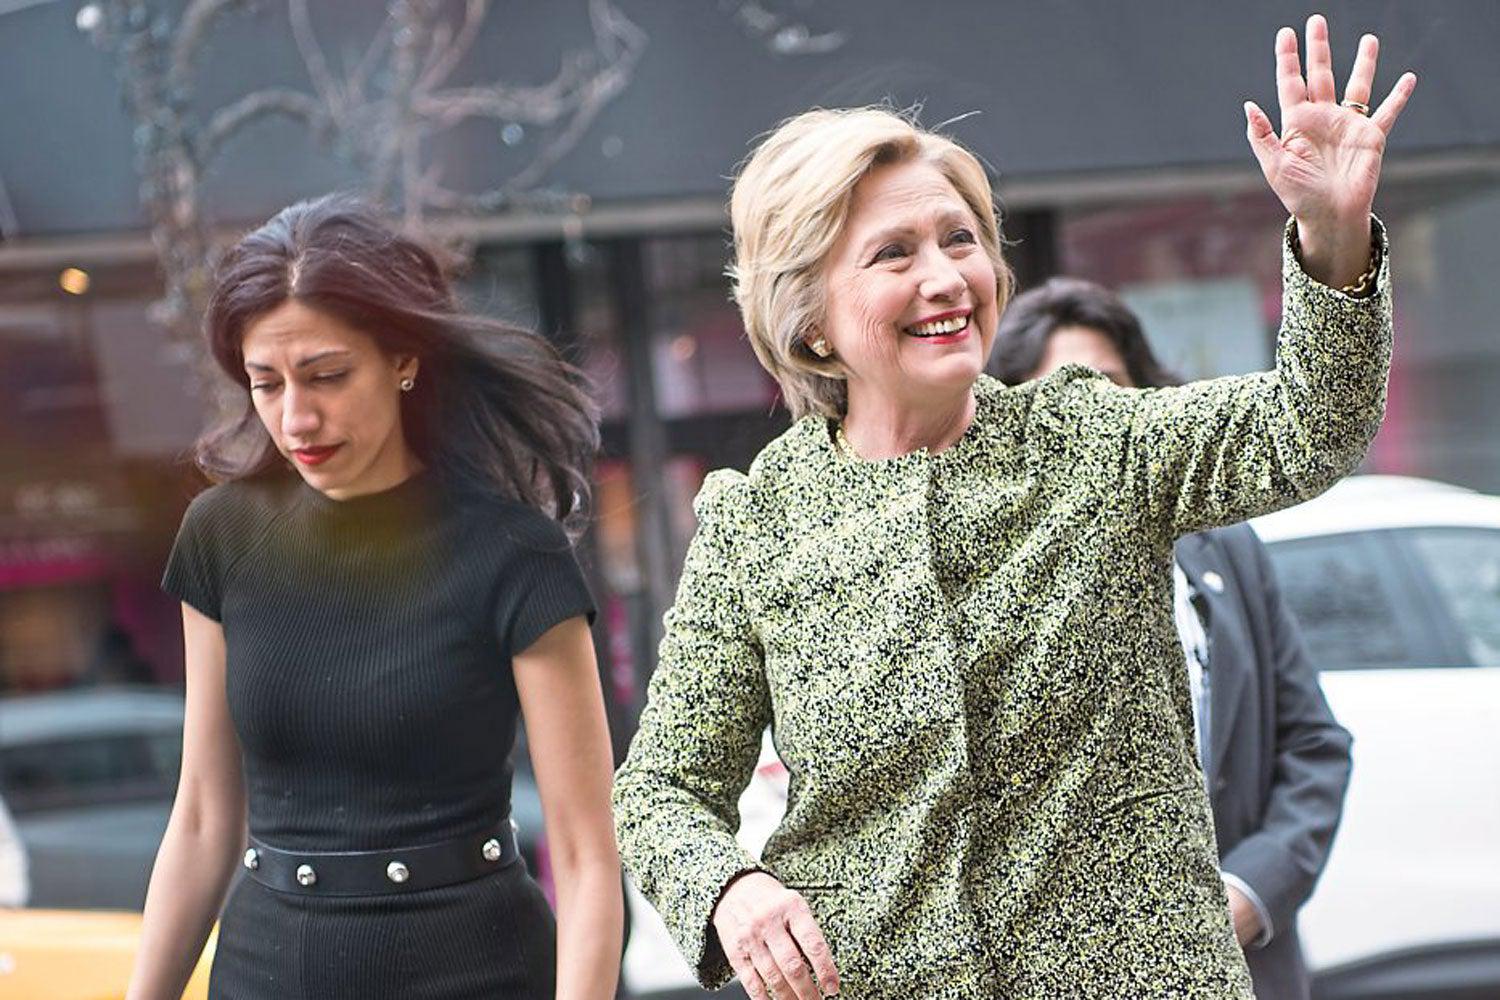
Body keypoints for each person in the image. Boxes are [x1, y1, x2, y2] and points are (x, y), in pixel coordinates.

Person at [613, 16, 1414, 1000]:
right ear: (809, 315)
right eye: (893, 254)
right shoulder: (756, 520)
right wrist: (728, 886)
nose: (947, 277)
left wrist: (1331, 238)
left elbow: (1309, 428)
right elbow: (660, 792)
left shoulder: (1095, 440)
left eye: (962, 241)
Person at [126, 195, 622, 1000]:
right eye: (265, 383)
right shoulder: (221, 536)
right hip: (267, 972)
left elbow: (586, 853)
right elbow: (203, 819)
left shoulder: (513, 554)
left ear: (403, 358)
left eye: (326, 375)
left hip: (479, 971)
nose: (297, 416)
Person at [991, 276, 1353, 1000]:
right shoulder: (998, 576)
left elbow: (1313, 744)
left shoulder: (1223, 548)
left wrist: (1250, 892)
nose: (1091, 414)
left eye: (1109, 387)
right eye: (1060, 393)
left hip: (1238, 968)